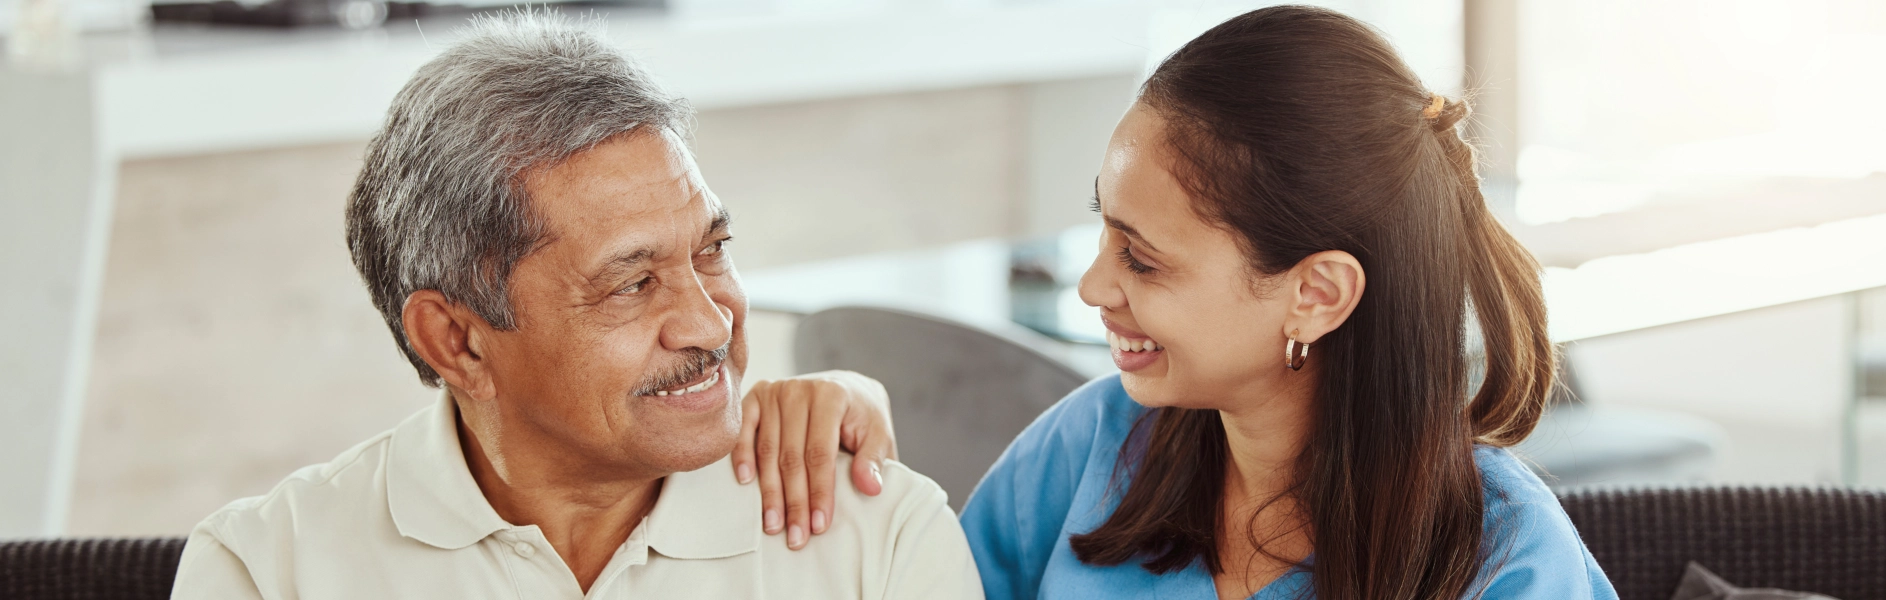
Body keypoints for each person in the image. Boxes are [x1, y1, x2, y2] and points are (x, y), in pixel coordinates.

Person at [737, 5, 1618, 599]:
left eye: (1144, 261)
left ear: (1315, 294)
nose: (1092, 288)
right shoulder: (1095, 443)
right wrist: (856, 456)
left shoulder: (1507, 560)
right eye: (1104, 231)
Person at [168, 11, 981, 600]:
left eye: (712, 252)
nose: (711, 322)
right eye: (632, 283)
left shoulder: (880, 538)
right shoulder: (266, 570)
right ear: (456, 342)